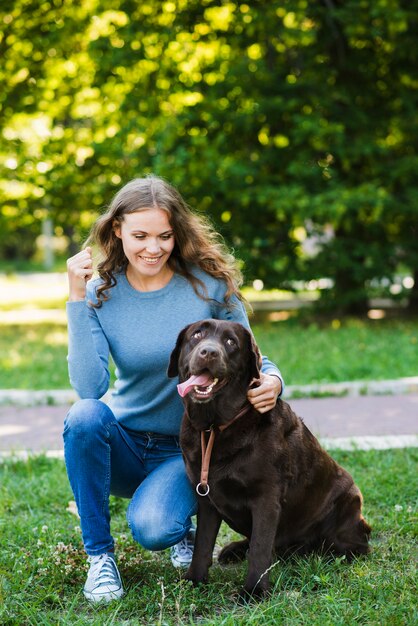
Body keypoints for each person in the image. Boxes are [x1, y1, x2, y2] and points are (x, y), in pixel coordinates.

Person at [64, 174, 284, 603]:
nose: (153, 247)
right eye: (140, 235)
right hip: (124, 443)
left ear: (177, 232)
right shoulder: (100, 293)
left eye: (164, 235)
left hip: (191, 449)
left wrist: (274, 380)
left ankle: (179, 521)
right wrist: (76, 298)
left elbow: (254, 356)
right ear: (117, 230)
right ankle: (100, 559)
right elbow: (90, 387)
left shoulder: (208, 284)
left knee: (155, 530)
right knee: (84, 417)